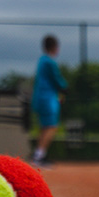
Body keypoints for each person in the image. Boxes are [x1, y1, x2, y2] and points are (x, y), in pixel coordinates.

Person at [31, 35, 67, 168]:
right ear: (54, 47)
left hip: (40, 98)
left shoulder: (42, 60)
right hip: (48, 99)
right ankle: (38, 157)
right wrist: (64, 88)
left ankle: (39, 155)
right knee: (52, 126)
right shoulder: (50, 62)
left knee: (44, 127)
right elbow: (58, 80)